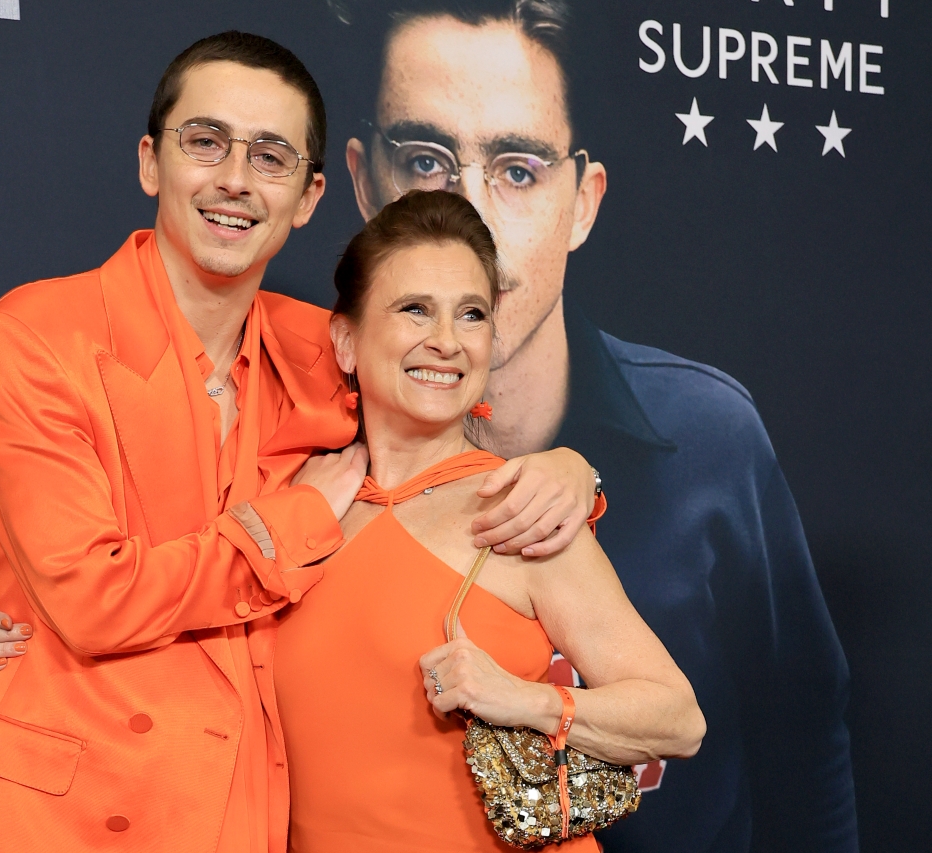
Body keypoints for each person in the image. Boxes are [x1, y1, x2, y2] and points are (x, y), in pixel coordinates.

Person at [0, 31, 601, 853]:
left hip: (236, 812)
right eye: (205, 141)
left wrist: (568, 468)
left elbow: (451, 399)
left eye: (271, 156)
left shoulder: (324, 347)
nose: (236, 180)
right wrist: (291, 525)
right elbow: (89, 599)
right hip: (60, 813)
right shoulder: (39, 335)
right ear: (151, 162)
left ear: (311, 194)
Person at [331, 2, 858, 852]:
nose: (469, 221)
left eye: (518, 168)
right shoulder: (295, 442)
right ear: (364, 184)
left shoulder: (710, 436)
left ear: (583, 201)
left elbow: (803, 739)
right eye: (427, 161)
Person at [275, 189, 704, 853]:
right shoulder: (299, 497)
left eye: (471, 314)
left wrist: (524, 700)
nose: (445, 341)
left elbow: (677, 718)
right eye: (415, 308)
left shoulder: (516, 508)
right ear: (347, 339)